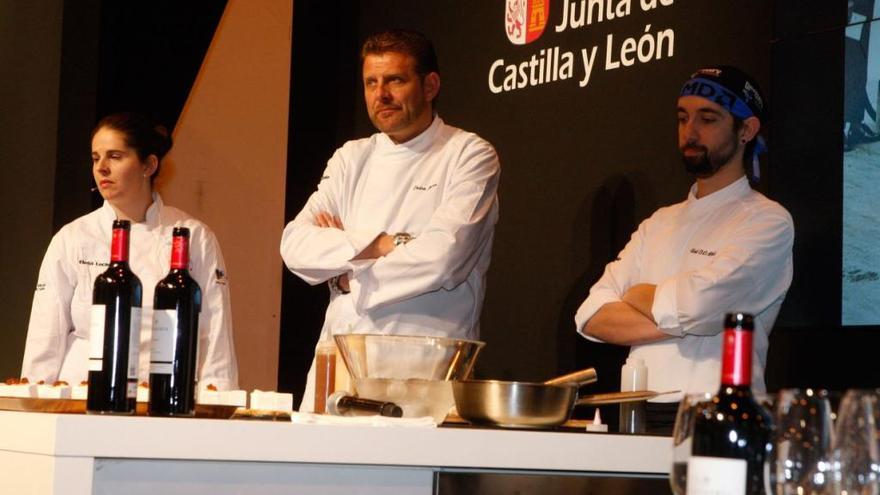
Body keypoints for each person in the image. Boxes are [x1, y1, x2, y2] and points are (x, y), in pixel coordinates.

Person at [281, 29, 500, 410]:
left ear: (430, 85)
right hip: (340, 357)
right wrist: (386, 244)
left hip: (423, 366)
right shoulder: (351, 157)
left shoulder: (468, 154)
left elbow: (444, 258)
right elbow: (294, 245)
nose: (380, 95)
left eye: (395, 80)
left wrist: (349, 272)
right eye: (371, 82)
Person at [575, 66, 793, 428]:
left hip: (722, 415)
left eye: (707, 118)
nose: (689, 132)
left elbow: (702, 305)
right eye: (682, 117)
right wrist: (689, 316)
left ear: (747, 130)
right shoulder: (658, 222)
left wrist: (637, 295)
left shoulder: (767, 221)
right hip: (637, 411)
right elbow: (591, 315)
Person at [22, 112, 239, 390]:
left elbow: (214, 332)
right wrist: (32, 399)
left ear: (148, 165)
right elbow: (45, 333)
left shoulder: (192, 236)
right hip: (80, 396)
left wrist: (217, 403)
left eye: (114, 156)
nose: (101, 168)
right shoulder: (72, 238)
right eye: (95, 157)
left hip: (161, 395)